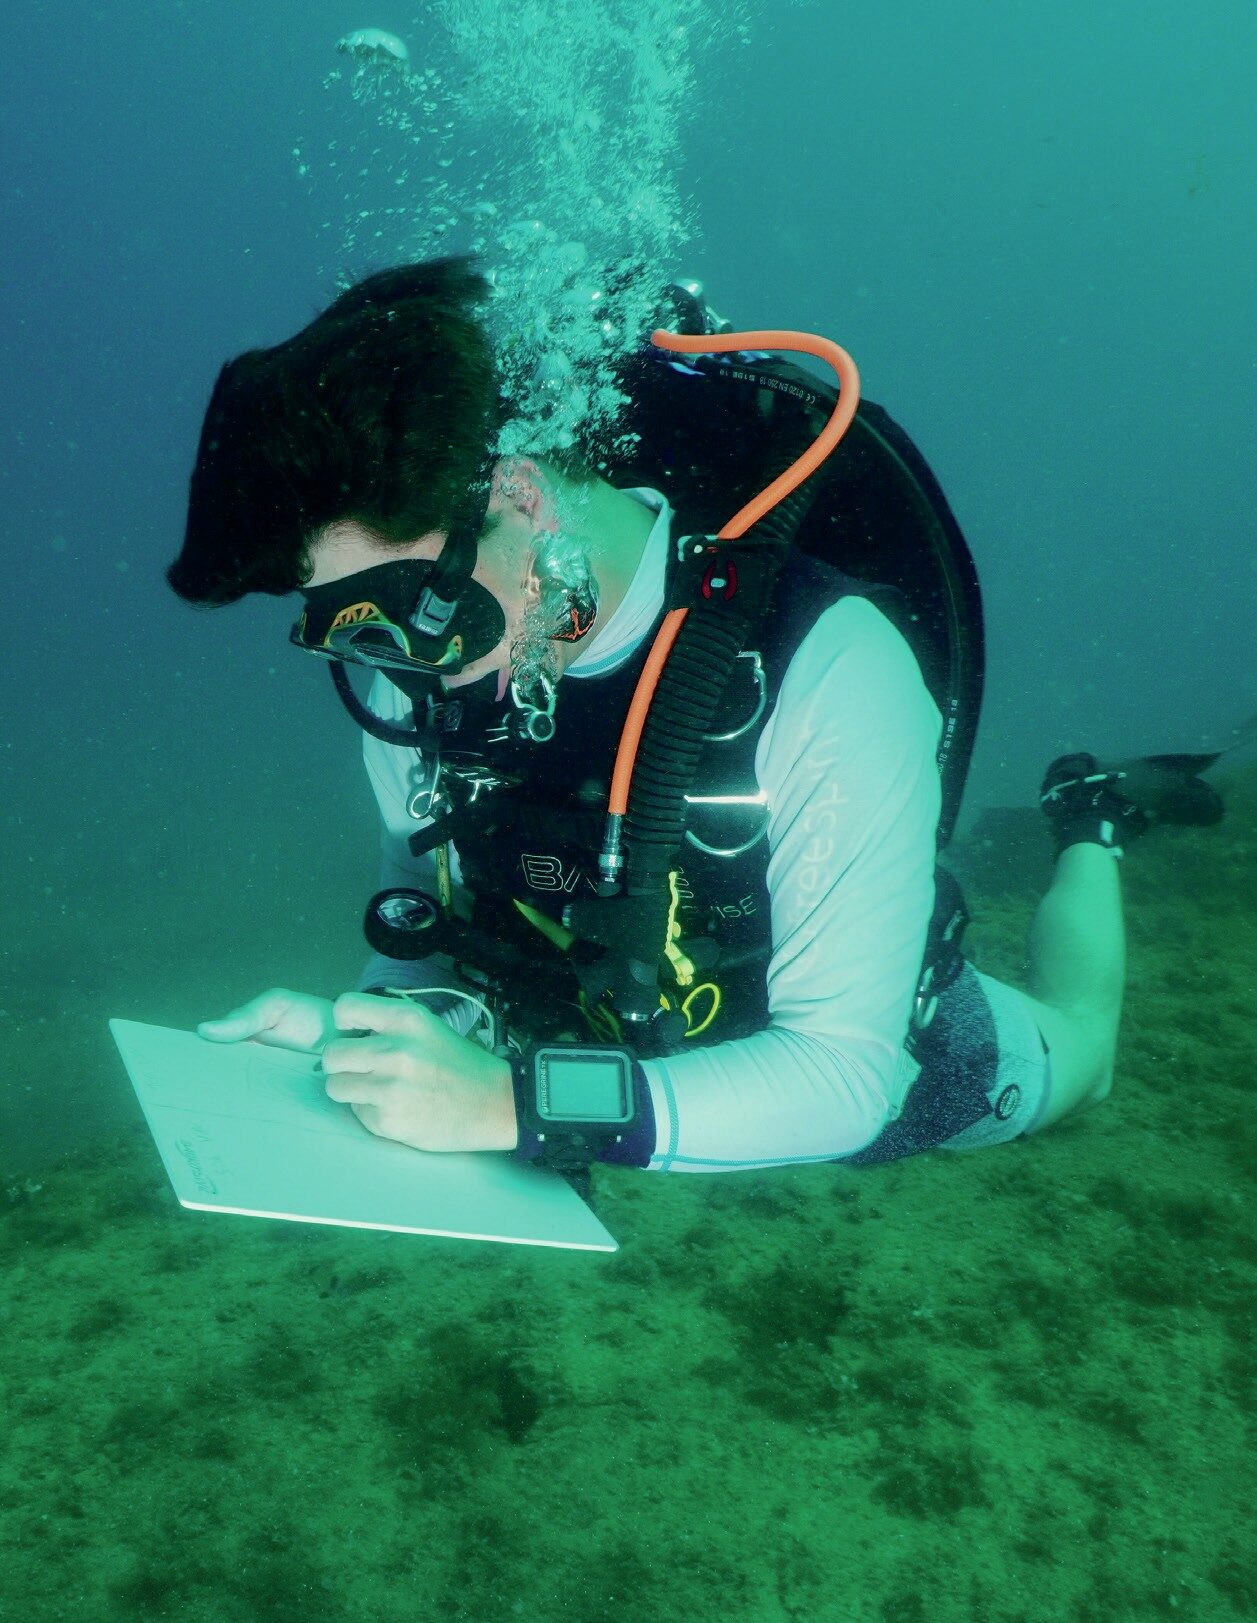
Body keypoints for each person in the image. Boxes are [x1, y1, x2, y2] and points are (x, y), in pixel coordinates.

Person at [169, 257, 1223, 1174]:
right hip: (590, 1036)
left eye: (405, 613)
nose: (403, 670)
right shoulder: (412, 672)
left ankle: (1088, 819)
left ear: (521, 500)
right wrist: (362, 1044)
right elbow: (427, 918)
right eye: (345, 628)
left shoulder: (830, 663)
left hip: (842, 1047)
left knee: (1085, 1059)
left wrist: (509, 1108)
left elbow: (848, 1074)